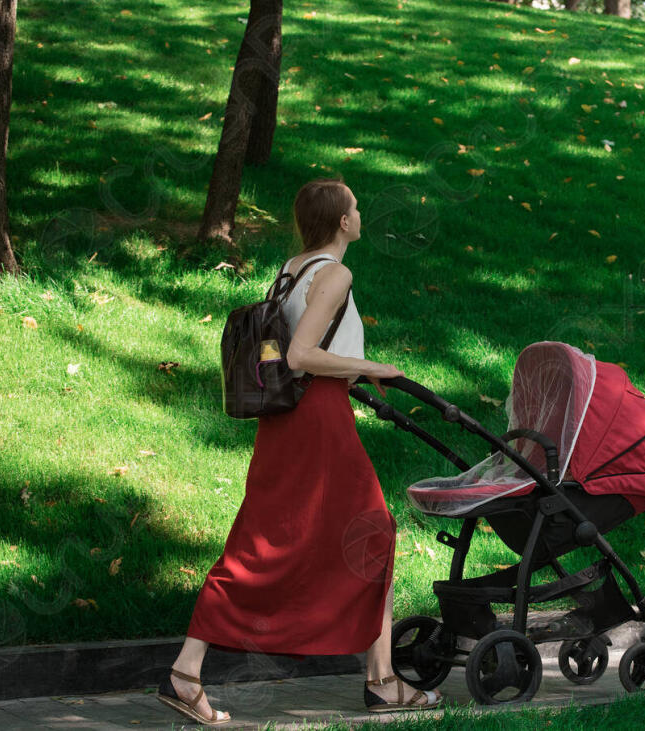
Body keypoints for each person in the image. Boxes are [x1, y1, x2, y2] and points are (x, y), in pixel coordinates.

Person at [156, 178, 442, 725]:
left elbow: (292, 348)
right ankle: (379, 683)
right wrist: (371, 366)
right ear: (341, 222)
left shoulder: (293, 267)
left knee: (268, 541)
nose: (361, 214)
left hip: (286, 423)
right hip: (318, 422)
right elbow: (302, 356)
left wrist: (350, 368)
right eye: (355, 208)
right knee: (369, 533)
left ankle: (188, 671)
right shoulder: (335, 273)